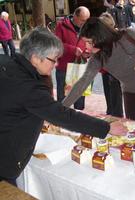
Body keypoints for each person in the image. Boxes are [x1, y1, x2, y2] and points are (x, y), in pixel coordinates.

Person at [0, 28, 123, 186]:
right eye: (53, 59)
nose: (56, 64)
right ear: (36, 58)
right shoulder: (29, 88)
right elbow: (64, 116)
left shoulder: (5, 63)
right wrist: (106, 127)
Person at [62, 17, 135, 126]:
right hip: (130, 93)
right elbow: (82, 83)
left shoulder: (129, 35)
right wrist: (60, 110)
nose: (87, 47)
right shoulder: (97, 58)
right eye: (85, 42)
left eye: (89, 42)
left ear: (100, 36)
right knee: (133, 128)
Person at [54, 6, 90, 110]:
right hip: (64, 68)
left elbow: (90, 42)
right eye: (83, 20)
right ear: (75, 16)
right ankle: (61, 122)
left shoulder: (87, 27)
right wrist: (73, 50)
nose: (85, 23)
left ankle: (79, 122)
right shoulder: (61, 25)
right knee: (63, 100)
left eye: (87, 20)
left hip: (80, 68)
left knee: (79, 98)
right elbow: (57, 45)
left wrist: (88, 52)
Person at [99, 12, 123, 117]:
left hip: (114, 73)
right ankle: (110, 114)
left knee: (115, 99)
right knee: (109, 98)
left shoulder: (117, 36)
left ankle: (116, 117)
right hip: (105, 71)